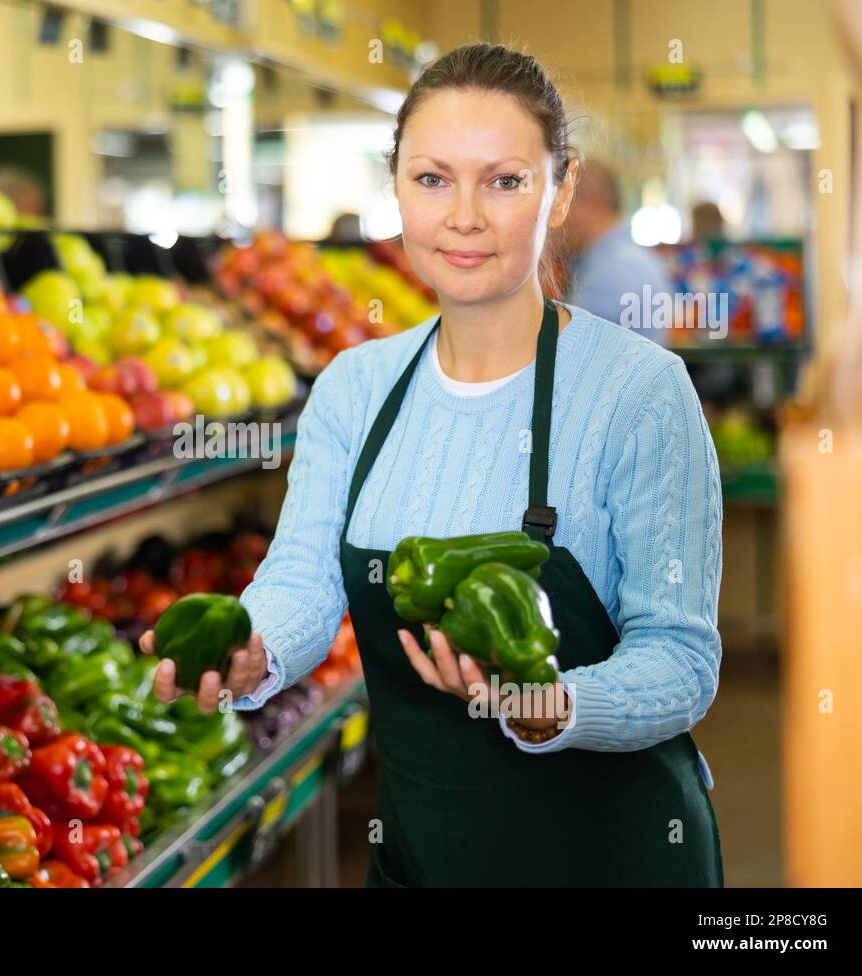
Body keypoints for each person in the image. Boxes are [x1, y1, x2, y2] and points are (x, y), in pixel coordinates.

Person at [141, 41, 724, 888]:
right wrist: (254, 652)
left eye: (505, 180)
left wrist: (549, 705)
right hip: (426, 857)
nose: (465, 216)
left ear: (560, 190)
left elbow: (680, 658)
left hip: (614, 855)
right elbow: (303, 581)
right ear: (397, 191)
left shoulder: (639, 392)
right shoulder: (355, 389)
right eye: (432, 178)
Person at [561, 159, 675, 344]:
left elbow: (568, 351)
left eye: (561, 202)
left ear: (591, 204)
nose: (555, 219)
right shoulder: (629, 260)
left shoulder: (611, 271)